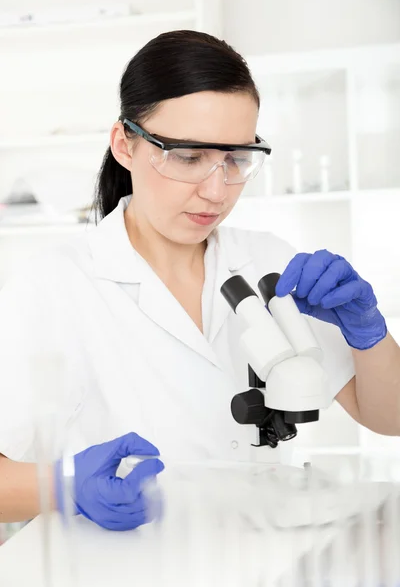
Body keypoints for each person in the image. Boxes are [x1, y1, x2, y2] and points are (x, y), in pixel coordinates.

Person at [0, 30, 399, 532]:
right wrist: (63, 488)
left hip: (261, 560)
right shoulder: (52, 285)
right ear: (125, 145)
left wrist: (370, 334)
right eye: (188, 157)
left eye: (236, 158)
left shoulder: (268, 260)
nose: (216, 191)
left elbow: (389, 418)